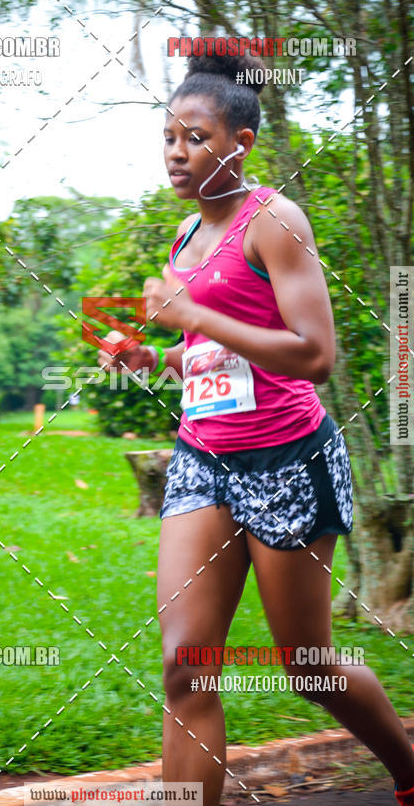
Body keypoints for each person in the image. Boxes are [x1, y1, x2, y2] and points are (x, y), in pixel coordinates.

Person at [97, 49, 414, 806]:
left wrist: (193, 314)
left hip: (288, 462)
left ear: (239, 143)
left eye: (195, 137)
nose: (177, 152)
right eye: (169, 137)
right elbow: (211, 353)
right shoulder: (183, 237)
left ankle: (407, 768)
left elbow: (316, 356)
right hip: (205, 461)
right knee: (185, 664)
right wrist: (157, 356)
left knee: (306, 664)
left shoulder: (274, 220)